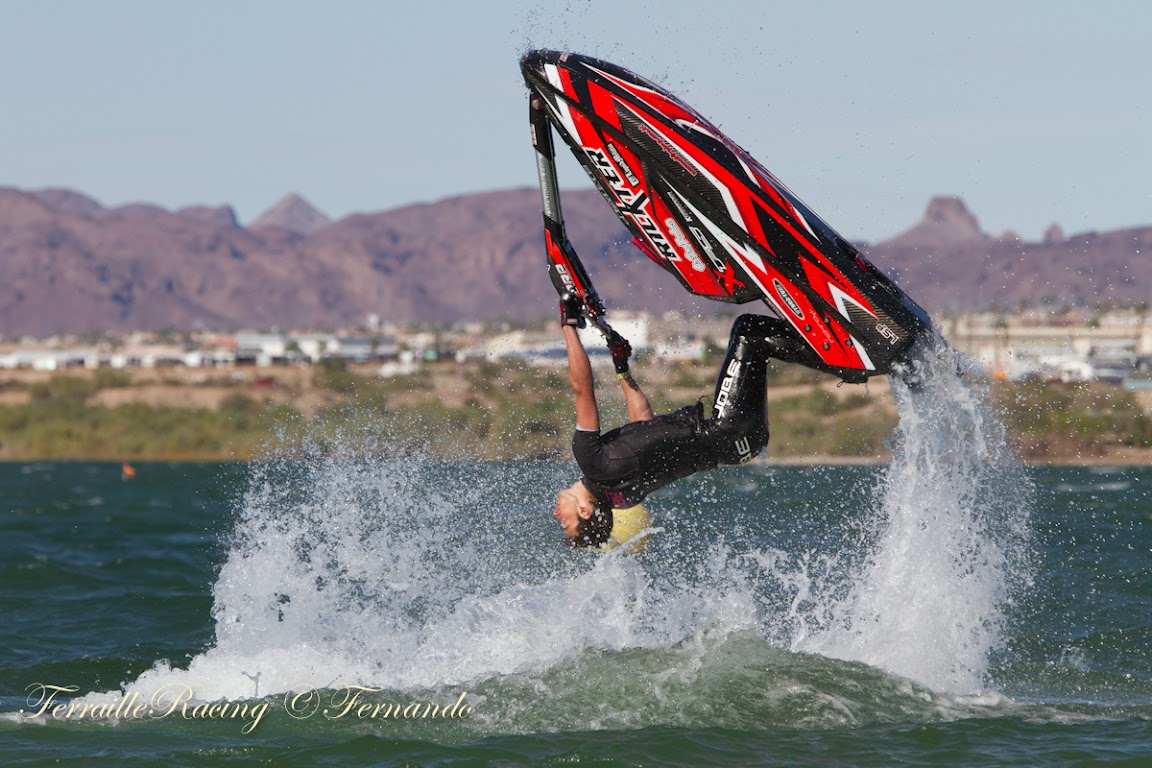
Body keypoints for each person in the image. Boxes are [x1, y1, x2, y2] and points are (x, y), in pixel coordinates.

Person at [553, 295, 816, 549]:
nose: (557, 516)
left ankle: (831, 342)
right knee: (748, 333)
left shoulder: (622, 498)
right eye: (566, 523)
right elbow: (582, 388)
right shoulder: (592, 461)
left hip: (738, 447)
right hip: (728, 430)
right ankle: (841, 355)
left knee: (757, 337)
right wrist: (569, 325)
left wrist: (622, 369)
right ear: (584, 511)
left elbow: (644, 424)